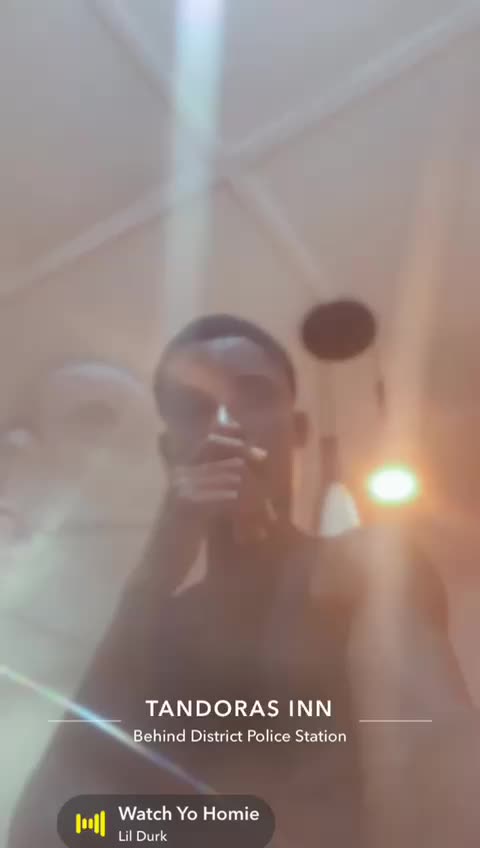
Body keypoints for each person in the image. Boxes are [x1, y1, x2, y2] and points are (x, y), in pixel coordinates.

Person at [7, 315, 474, 847]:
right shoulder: (159, 626)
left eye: (255, 395)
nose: (226, 425)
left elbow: (439, 754)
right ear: (169, 451)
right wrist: (154, 574)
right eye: (194, 407)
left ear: (297, 432)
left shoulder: (363, 561)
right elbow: (50, 829)